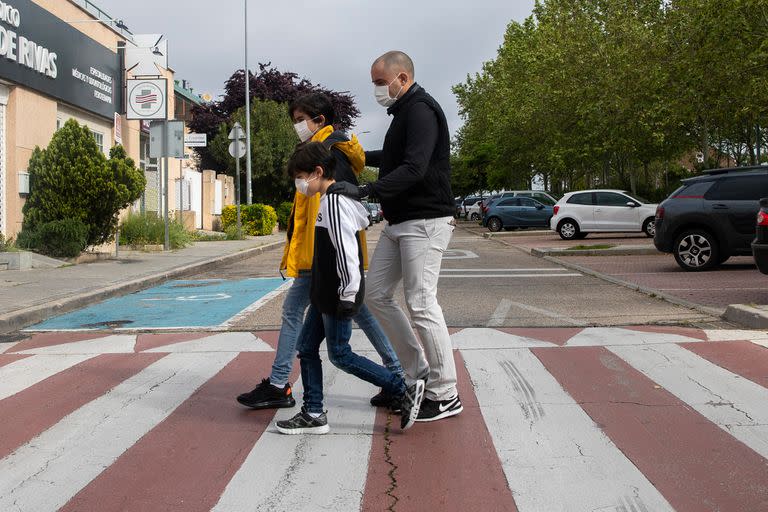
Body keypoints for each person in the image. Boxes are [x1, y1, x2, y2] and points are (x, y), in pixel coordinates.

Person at [236, 93, 404, 411]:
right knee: (358, 316)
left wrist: (310, 258)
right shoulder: (328, 150)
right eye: (295, 120)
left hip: (322, 257)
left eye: (301, 119)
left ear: (319, 120)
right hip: (322, 257)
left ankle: (280, 385)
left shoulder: (328, 154)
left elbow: (332, 211)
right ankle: (392, 378)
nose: (297, 126)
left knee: (310, 327)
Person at [275, 142, 424, 434]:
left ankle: (402, 387)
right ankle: (314, 412)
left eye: (302, 176)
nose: (299, 183)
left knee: (340, 354)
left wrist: (347, 293)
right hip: (324, 292)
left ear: (318, 172)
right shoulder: (331, 199)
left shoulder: (332, 203)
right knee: (306, 348)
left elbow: (346, 252)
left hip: (336, 293)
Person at [357, 51, 462, 422]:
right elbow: (392, 157)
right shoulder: (403, 113)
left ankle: (445, 392)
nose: (376, 90)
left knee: (420, 301)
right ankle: (417, 376)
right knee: (374, 294)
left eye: (379, 83)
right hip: (400, 222)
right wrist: (355, 156)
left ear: (402, 78)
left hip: (426, 220)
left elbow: (415, 167)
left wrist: (367, 191)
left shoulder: (421, 110)